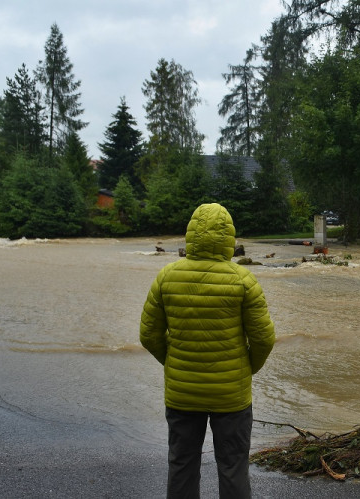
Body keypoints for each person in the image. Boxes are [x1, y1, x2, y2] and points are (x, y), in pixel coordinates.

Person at [140, 203, 275, 499]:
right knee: (233, 467)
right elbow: (264, 339)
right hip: (232, 396)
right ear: (229, 238)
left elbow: (148, 335)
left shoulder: (166, 277)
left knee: (182, 464)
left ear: (191, 236)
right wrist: (245, 368)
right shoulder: (244, 281)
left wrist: (173, 361)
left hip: (182, 393)